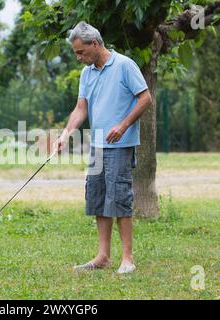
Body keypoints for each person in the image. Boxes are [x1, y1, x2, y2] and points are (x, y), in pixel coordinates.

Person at [53, 21, 152, 274]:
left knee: (120, 198)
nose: (78, 57)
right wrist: (66, 133)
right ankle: (103, 256)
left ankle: (127, 258)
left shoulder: (124, 65)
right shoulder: (87, 74)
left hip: (120, 144)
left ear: (95, 44)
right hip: (97, 145)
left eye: (81, 52)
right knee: (98, 199)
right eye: (76, 53)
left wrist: (123, 125)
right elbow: (81, 108)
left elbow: (145, 98)